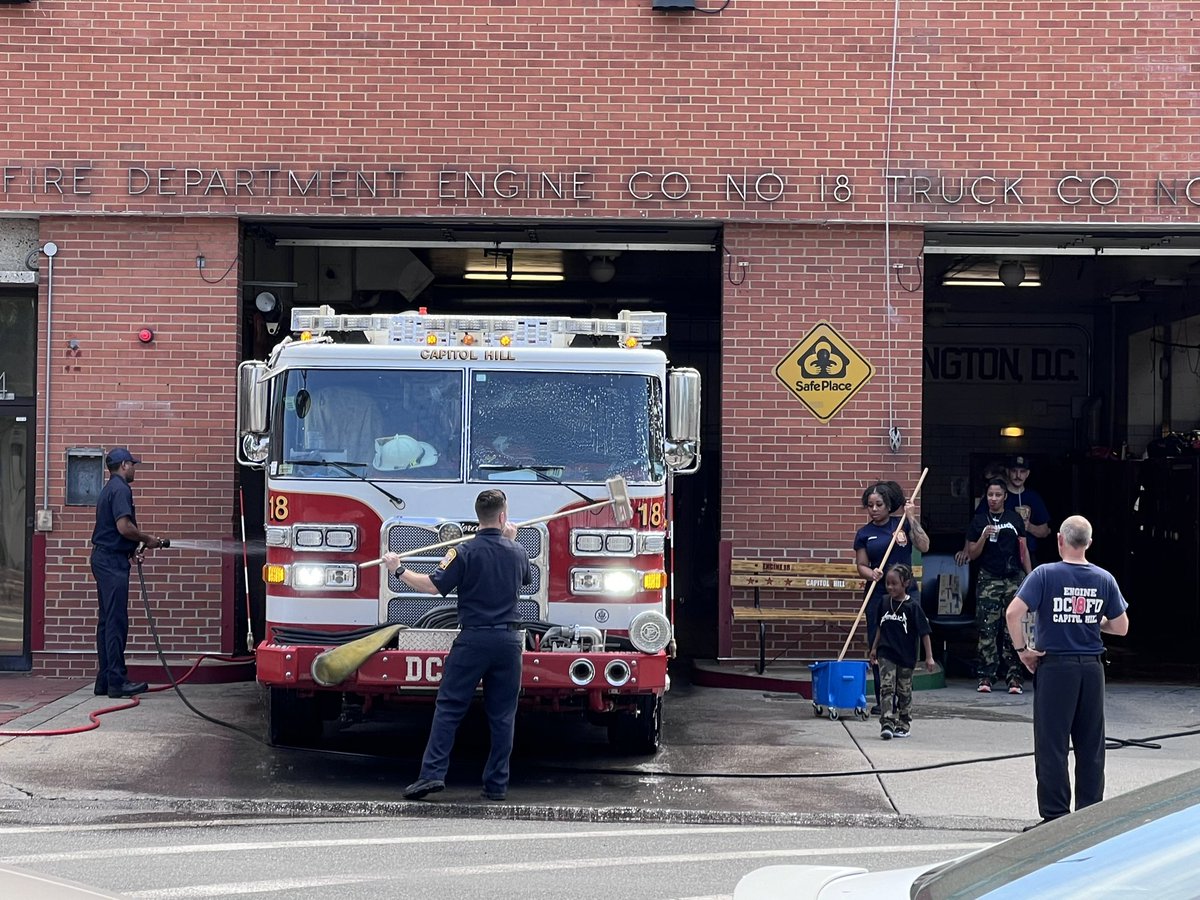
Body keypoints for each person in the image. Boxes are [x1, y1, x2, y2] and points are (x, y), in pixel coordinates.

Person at [383, 488, 532, 802]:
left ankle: (432, 775)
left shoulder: (463, 552)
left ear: (478, 517)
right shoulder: (518, 551)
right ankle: (496, 786)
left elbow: (431, 586)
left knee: (450, 708)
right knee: (503, 716)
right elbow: (523, 578)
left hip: (474, 639)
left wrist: (397, 568)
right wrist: (510, 540)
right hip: (509, 642)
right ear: (503, 516)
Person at [1005, 515, 1130, 826]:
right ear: (1089, 543)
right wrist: (1094, 621)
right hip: (1091, 668)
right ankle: (1089, 816)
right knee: (1091, 744)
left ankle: (1055, 816)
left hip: (1055, 666)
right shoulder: (1104, 579)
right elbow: (1121, 627)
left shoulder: (1044, 575)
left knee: (1052, 744)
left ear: (1060, 539)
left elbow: (1013, 613)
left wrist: (1023, 651)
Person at [90, 448, 165, 699]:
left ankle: (104, 680)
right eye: (132, 464)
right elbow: (123, 527)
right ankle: (117, 681)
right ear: (123, 465)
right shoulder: (121, 489)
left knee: (106, 621)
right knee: (116, 622)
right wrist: (147, 538)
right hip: (111, 563)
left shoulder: (108, 489)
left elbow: (113, 530)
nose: (134, 469)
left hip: (105, 558)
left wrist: (131, 549)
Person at [854, 480, 930, 714]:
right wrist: (872, 574)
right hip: (878, 595)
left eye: (879, 504)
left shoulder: (902, 524)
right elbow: (861, 565)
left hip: (906, 594)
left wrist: (912, 518)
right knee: (879, 644)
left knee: (905, 643)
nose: (874, 509)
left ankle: (903, 697)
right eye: (870, 505)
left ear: (889, 505)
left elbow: (924, 546)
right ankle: (883, 699)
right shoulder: (864, 534)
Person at [965, 477, 1032, 694]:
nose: (993, 499)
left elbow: (1023, 549)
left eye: (997, 495)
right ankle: (986, 676)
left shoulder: (1014, 518)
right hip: (988, 578)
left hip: (1013, 578)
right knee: (987, 629)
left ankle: (1014, 677)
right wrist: (984, 536)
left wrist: (1030, 577)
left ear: (1005, 497)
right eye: (990, 495)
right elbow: (972, 554)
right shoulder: (978, 520)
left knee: (1013, 629)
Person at [869, 564, 934, 740]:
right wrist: (874, 648)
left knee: (904, 691)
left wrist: (929, 657)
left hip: (906, 656)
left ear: (905, 583)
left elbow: (924, 633)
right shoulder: (884, 602)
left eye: (894, 584)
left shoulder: (912, 607)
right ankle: (887, 722)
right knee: (886, 687)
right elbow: (880, 627)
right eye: (887, 583)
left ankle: (904, 723)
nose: (890, 587)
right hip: (886, 653)